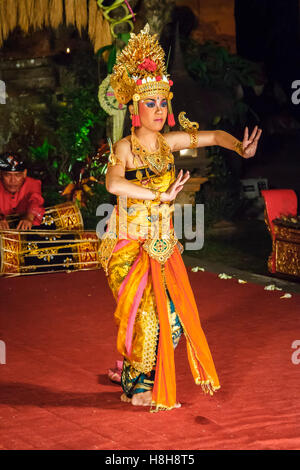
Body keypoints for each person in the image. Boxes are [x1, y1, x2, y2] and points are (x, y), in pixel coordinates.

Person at [99, 25, 262, 412]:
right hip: (126, 247)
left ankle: (131, 367)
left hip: (162, 245)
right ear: (135, 107)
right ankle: (136, 384)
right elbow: (113, 185)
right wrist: (158, 193)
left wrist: (241, 148)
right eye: (149, 103)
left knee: (172, 317)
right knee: (146, 314)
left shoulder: (171, 143)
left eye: (161, 103)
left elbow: (216, 135)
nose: (157, 110)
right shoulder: (124, 148)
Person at [0, 152, 45, 230]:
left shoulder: (33, 183)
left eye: (17, 175)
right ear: (0, 174)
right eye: (7, 175)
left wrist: (29, 218)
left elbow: (36, 200)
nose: (12, 181)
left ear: (24, 173)